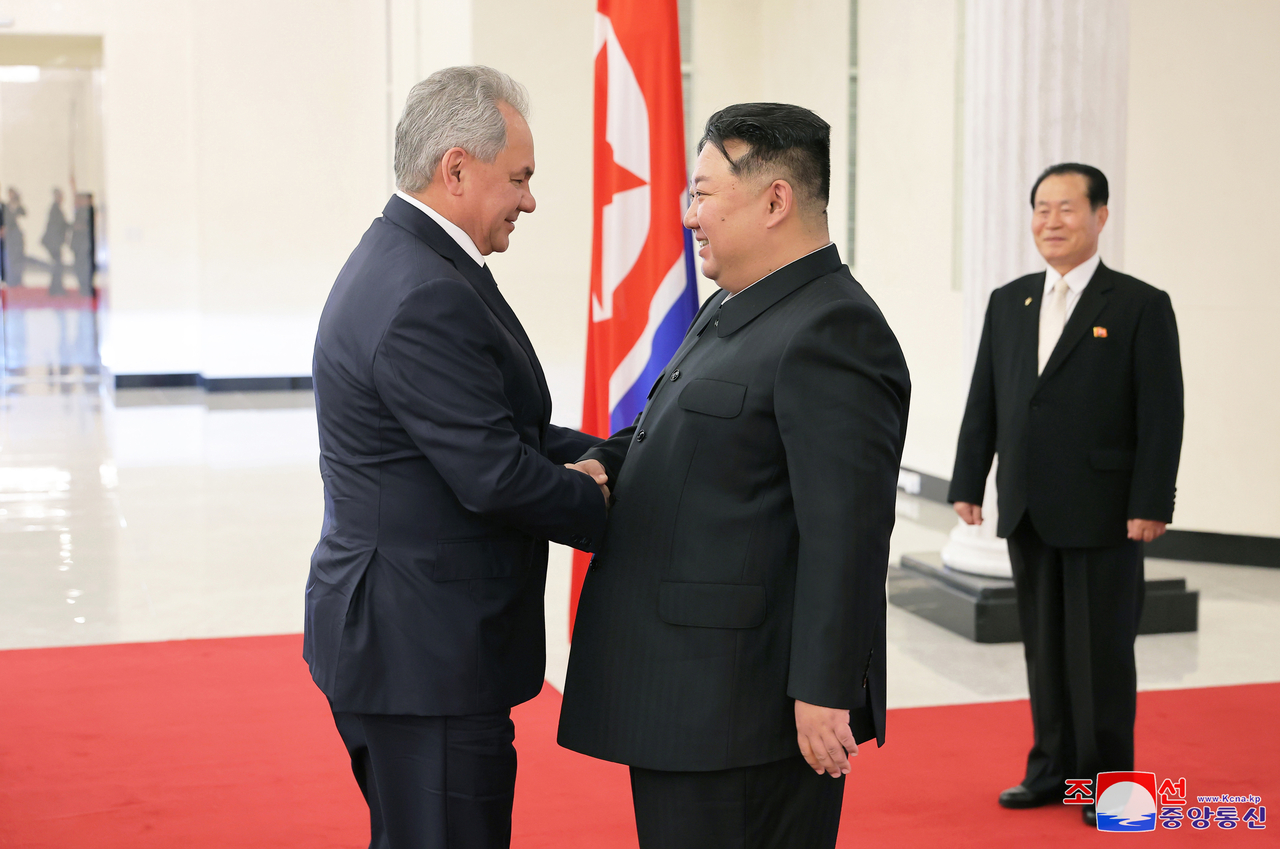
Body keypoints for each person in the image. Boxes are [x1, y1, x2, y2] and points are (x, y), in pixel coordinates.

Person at [558, 103, 911, 849]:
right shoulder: (734, 306)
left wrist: (822, 690)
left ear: (775, 200)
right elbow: (671, 431)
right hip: (690, 700)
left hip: (746, 714)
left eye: (703, 193)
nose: (689, 216)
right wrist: (595, 462)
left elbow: (844, 532)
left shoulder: (832, 329)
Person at [304, 66, 610, 849]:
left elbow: (498, 426)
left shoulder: (415, 261)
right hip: (422, 655)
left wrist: (615, 456)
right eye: (520, 177)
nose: (530, 199)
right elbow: (495, 472)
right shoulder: (423, 292)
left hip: (411, 642)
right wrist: (608, 503)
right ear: (456, 169)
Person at [948, 163, 1183, 827]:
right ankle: (1050, 769)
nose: (1051, 221)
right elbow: (986, 398)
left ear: (1100, 216)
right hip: (1027, 504)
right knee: (1044, 650)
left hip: (1105, 509)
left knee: (1101, 654)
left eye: (1067, 209)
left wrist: (1152, 500)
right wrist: (970, 479)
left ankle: (1109, 787)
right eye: (1041, 209)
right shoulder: (1010, 299)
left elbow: (1162, 413)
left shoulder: (1139, 304)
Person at [42, 188, 68, 295]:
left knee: (57, 265)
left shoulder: (56, 208)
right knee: (57, 266)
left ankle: (55, 289)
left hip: (54, 242)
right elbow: (57, 226)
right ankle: (56, 289)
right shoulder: (55, 209)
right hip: (53, 242)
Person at [70, 192, 95, 296]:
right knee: (79, 267)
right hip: (78, 244)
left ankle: (86, 288)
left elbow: (84, 226)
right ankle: (83, 288)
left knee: (84, 267)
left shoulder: (89, 211)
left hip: (84, 245)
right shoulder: (80, 210)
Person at [3, 188, 26, 286]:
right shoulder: (6, 207)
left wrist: (17, 204)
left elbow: (24, 213)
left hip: (17, 236)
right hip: (9, 237)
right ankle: (11, 280)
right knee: (10, 259)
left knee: (18, 258)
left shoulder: (17, 205)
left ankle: (18, 280)